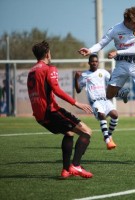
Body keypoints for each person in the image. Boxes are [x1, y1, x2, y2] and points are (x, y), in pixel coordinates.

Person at [78, 6, 135, 134]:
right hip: (121, 65)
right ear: (126, 21)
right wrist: (90, 50)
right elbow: (101, 44)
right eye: (134, 23)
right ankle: (121, 94)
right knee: (108, 95)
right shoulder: (115, 29)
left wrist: (117, 52)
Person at [27, 40, 94, 179]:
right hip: (51, 111)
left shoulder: (31, 71)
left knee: (69, 133)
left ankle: (65, 170)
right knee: (87, 132)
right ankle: (75, 165)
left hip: (39, 116)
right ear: (47, 54)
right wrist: (77, 103)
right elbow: (56, 90)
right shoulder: (49, 68)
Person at [74, 54, 119, 150]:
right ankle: (107, 141)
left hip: (105, 100)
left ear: (98, 63)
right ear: (89, 63)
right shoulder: (85, 75)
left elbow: (112, 82)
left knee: (115, 115)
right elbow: (78, 90)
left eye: (96, 61)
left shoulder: (103, 72)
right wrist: (76, 79)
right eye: (92, 61)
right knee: (101, 115)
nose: (94, 63)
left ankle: (109, 135)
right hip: (95, 102)